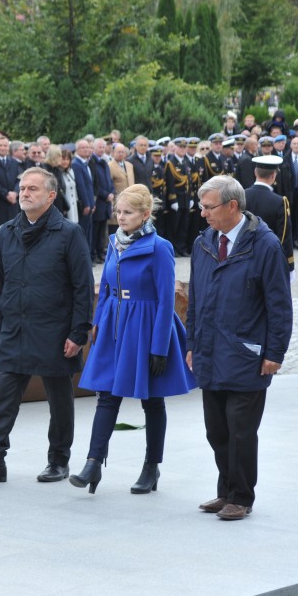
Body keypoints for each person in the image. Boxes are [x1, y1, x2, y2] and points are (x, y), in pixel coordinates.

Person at [0, 167, 93, 484]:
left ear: (51, 195)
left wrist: (78, 332)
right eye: (22, 188)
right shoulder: (8, 231)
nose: (25, 193)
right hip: (15, 329)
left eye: (33, 188)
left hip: (54, 330)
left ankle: (58, 461)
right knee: (2, 398)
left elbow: (83, 287)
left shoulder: (69, 233)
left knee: (59, 401)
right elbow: (1, 284)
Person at [73, 184, 195, 494]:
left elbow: (166, 300)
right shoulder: (114, 242)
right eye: (118, 211)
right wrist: (98, 323)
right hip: (114, 324)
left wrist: (159, 347)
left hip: (146, 325)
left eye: (127, 212)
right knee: (106, 394)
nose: (120, 217)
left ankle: (151, 467)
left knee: (152, 400)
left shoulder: (160, 247)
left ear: (145, 214)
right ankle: (93, 463)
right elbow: (106, 287)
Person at [187, 175, 292, 521]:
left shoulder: (265, 245)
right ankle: (226, 491)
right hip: (209, 352)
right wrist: (192, 344)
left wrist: (274, 353)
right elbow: (195, 300)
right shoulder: (204, 242)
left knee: (241, 431)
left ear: (232, 205)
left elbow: (279, 305)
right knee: (217, 431)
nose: (203, 213)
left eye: (209, 207)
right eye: (202, 206)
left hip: (247, 355)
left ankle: (241, 497)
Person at [244, 156, 295, 275]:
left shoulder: (242, 195)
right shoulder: (280, 201)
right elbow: (284, 235)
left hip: (244, 255)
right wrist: (289, 264)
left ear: (255, 172)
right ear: (273, 176)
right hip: (269, 257)